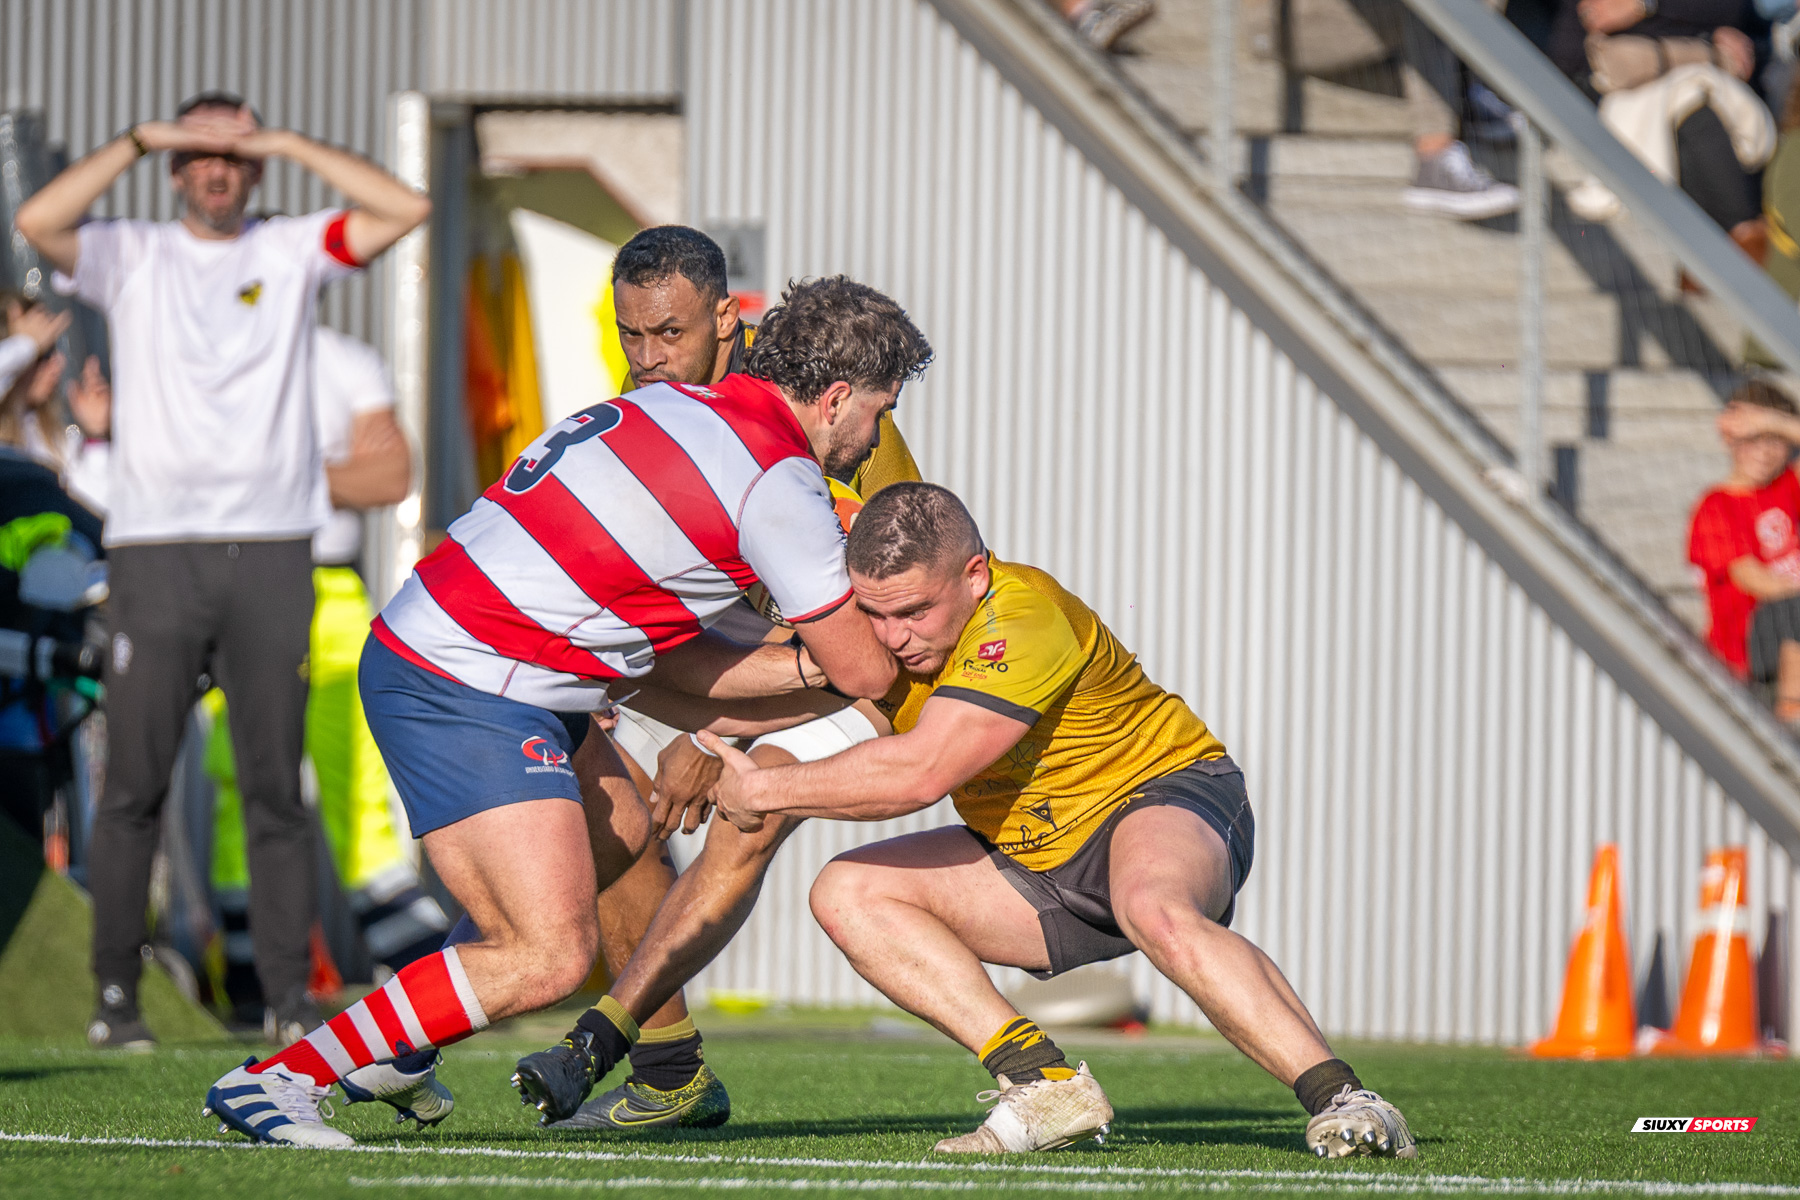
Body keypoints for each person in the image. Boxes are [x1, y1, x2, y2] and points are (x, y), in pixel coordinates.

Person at [198, 275, 931, 1148]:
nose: (876, 440)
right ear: (838, 396)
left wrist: (744, 694)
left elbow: (680, 658)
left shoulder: (665, 409)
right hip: (469, 678)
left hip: (471, 653)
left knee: (622, 839)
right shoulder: (777, 478)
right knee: (546, 953)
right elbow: (861, 667)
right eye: (879, 415)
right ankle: (280, 1078)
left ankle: (411, 1040)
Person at [701, 483, 1416, 1158]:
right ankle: (1046, 1088)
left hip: (1160, 794)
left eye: (914, 611)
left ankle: (1348, 1100)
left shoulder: (1020, 615)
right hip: (1038, 860)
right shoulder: (897, 633)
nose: (892, 636)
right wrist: (646, 704)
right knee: (848, 891)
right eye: (876, 615)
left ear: (975, 575)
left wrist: (766, 788)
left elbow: (921, 771)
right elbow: (738, 690)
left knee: (1153, 906)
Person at [14, 90, 431, 1049]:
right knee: (135, 789)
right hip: (154, 549)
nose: (218, 171)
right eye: (200, 157)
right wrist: (137, 138)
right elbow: (40, 220)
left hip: (272, 548)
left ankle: (287, 998)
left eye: (236, 159)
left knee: (274, 785)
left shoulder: (286, 252)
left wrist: (283, 138)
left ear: (255, 169)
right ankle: (115, 998)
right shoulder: (135, 252)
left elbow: (404, 208)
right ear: (174, 168)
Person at [535, 226, 927, 1131]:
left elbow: (868, 620)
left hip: (851, 677)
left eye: (667, 335)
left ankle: (1029, 1069)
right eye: (632, 337)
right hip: (722, 671)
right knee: (584, 793)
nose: (647, 359)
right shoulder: (651, 413)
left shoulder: (825, 426)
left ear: (725, 318)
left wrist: (713, 740)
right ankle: (669, 1071)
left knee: (752, 806)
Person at [205, 325, 449, 1036]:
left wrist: (267, 474)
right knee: (239, 784)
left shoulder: (343, 359)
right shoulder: (211, 356)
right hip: (240, 587)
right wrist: (324, 471)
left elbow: (392, 476)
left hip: (329, 590)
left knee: (358, 790)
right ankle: (249, 985)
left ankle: (428, 977)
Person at [1689, 379, 1800, 717]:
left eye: (1776, 441)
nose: (1765, 451)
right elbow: (1759, 583)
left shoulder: (1787, 487)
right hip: (1748, 649)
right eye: (1754, 439)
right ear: (1730, 438)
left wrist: (1771, 420)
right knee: (1794, 607)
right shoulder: (1715, 507)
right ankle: (1791, 717)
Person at [0, 295, 109, 512]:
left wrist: (95, 439)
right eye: (45, 353)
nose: (59, 362)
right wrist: (25, 345)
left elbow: (94, 508)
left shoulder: (52, 437)